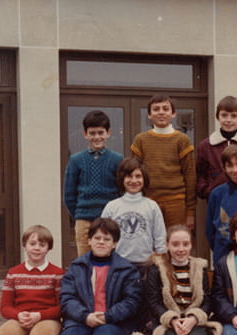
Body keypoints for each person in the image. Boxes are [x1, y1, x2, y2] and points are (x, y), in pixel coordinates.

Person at [130, 94, 196, 228]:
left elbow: (190, 175)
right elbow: (133, 173)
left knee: (176, 239)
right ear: (149, 115)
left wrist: (190, 211)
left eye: (165, 109)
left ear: (173, 114)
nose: (161, 112)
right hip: (148, 201)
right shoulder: (140, 140)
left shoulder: (182, 140)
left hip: (176, 201)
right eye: (156, 109)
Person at [63, 110, 123, 256]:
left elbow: (121, 190)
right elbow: (69, 194)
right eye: (92, 133)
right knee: (85, 259)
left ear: (108, 133)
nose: (97, 137)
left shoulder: (117, 159)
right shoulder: (76, 160)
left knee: (109, 259)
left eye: (101, 133)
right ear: (85, 134)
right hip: (84, 221)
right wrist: (79, 215)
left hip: (109, 219)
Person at [101, 156, 166, 266]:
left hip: (146, 265)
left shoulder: (152, 206)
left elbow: (160, 238)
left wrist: (161, 263)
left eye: (138, 176)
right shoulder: (112, 206)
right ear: (122, 179)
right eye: (129, 176)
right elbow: (103, 236)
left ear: (144, 179)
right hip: (118, 266)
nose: (134, 180)